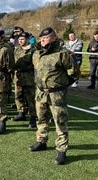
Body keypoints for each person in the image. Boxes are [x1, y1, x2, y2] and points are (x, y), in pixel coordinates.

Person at [29, 27, 79, 165]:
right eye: (41, 38)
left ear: (54, 37)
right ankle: (41, 141)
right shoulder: (37, 53)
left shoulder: (62, 53)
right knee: (41, 119)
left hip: (56, 93)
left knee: (60, 121)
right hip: (40, 92)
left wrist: (62, 86)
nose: (42, 40)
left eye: (45, 38)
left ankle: (61, 150)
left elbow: (74, 72)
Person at [11, 32, 37, 128]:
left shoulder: (33, 50)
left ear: (27, 40)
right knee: (18, 96)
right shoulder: (17, 49)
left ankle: (33, 117)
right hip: (18, 76)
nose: (20, 41)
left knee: (30, 98)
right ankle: (21, 113)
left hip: (29, 76)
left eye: (22, 39)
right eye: (19, 39)